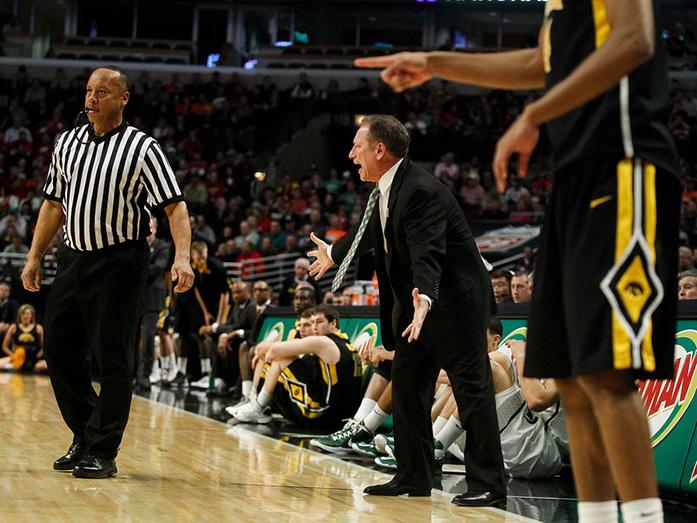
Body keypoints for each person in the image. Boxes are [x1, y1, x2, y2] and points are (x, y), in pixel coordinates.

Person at [356, 1, 680, 520]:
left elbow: (634, 41)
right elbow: (539, 63)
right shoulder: (559, 7)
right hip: (573, 183)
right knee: (571, 377)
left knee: (606, 373)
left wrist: (535, 112)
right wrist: (437, 61)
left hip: (625, 169)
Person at [308, 115, 504, 505]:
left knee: (472, 390)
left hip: (452, 306)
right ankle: (413, 476)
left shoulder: (420, 191)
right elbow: (369, 232)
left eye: (357, 147)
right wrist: (333, 252)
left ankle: (489, 484)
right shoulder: (386, 189)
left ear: (379, 150)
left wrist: (425, 299)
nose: (350, 154)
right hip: (417, 310)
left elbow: (427, 254)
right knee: (409, 389)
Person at [21, 66, 194, 479]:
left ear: (123, 98)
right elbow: (52, 205)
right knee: (59, 350)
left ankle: (103, 451)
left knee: (112, 358)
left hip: (119, 262)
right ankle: (85, 433)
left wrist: (182, 257)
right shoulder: (67, 143)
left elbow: (175, 206)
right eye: (88, 90)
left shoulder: (142, 148)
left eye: (102, 92)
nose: (92, 98)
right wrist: (33, 256)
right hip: (72, 258)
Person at [232, 305, 363, 429]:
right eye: (312, 323)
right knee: (283, 358)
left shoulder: (322, 341)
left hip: (322, 414)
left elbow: (273, 351)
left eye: (319, 322)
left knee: (281, 359)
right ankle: (255, 403)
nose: (315, 327)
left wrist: (272, 355)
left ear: (333, 324)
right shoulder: (346, 343)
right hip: (341, 417)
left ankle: (258, 407)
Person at [136, 216, 171, 391]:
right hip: (134, 297)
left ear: (155, 228)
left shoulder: (162, 246)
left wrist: (134, 269)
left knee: (148, 338)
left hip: (152, 298)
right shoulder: (135, 245)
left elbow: (158, 268)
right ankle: (131, 374)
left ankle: (145, 375)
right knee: (131, 337)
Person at [0, 304, 47, 373]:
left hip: (33, 359)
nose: (25, 316)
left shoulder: (38, 328)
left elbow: (44, 348)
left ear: (32, 315)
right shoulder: (14, 327)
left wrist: (37, 356)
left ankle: (29, 368)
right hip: (17, 358)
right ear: (20, 315)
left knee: (48, 365)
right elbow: (4, 347)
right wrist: (13, 356)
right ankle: (17, 367)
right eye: (23, 313)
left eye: (28, 314)